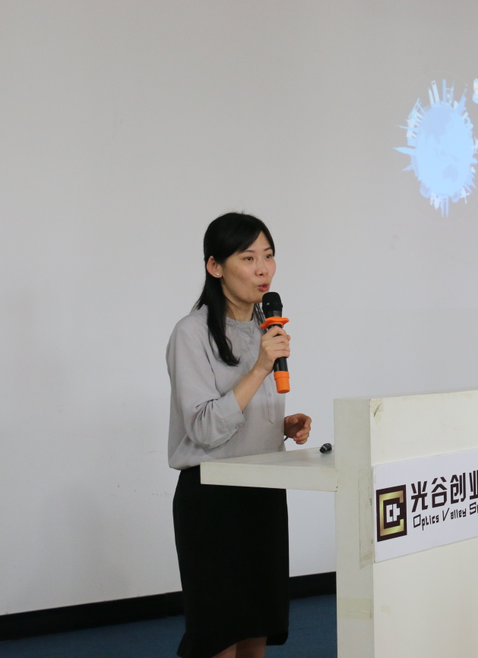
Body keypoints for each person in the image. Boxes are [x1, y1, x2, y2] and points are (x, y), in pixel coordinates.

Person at [166, 212, 312, 658]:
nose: (263, 269)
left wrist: (279, 425)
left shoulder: (265, 328)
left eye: (268, 256)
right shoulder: (191, 333)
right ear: (215, 266)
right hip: (214, 500)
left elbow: (237, 414)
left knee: (257, 631)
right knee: (219, 636)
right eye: (248, 258)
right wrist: (261, 368)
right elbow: (205, 427)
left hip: (262, 493)